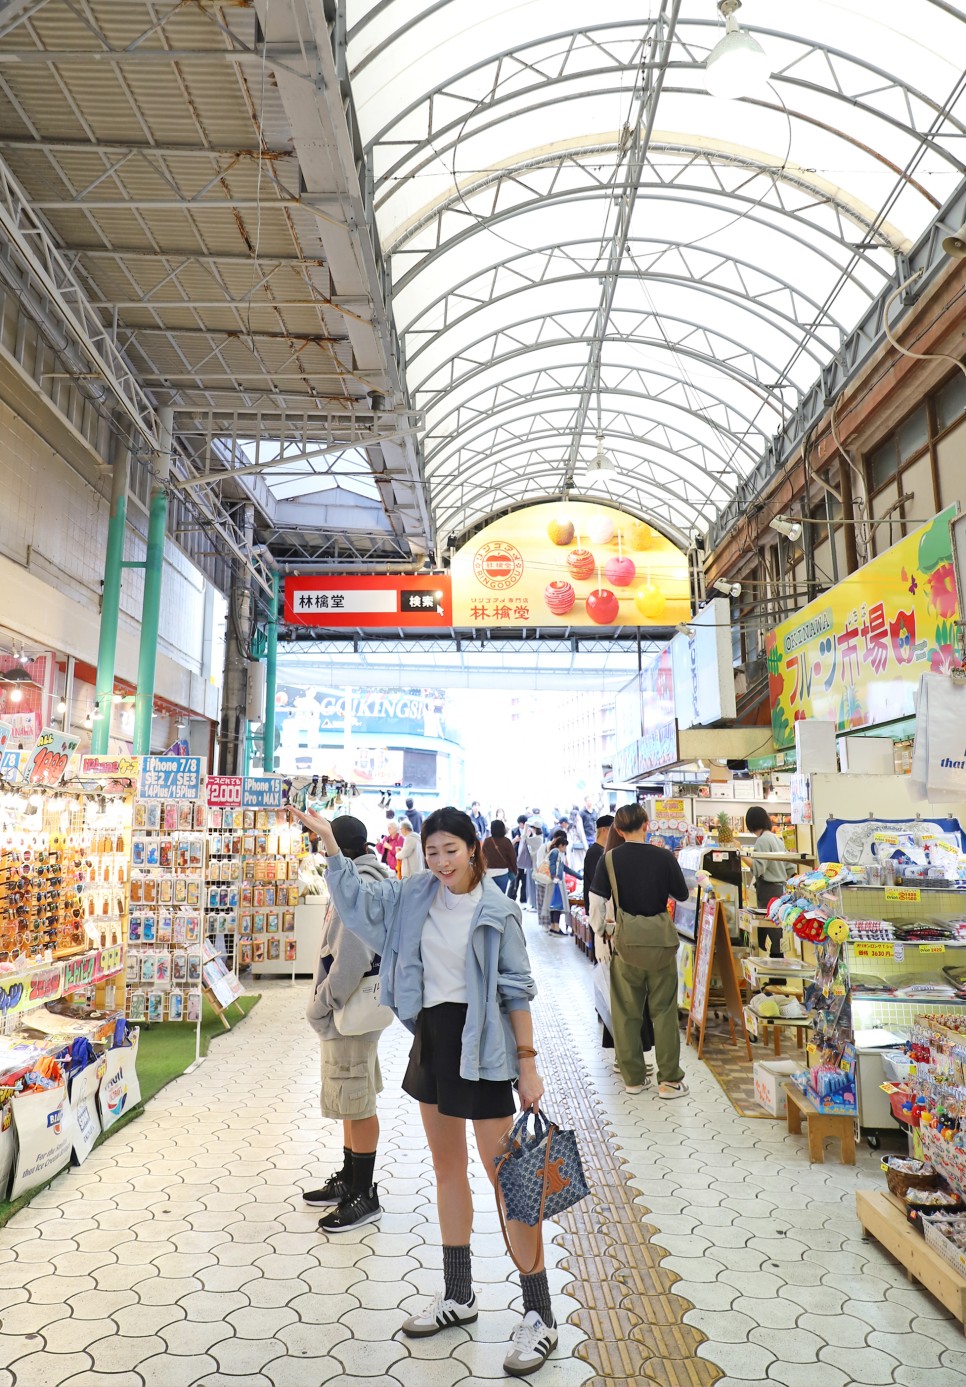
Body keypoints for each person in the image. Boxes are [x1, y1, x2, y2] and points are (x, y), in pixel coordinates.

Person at [290, 804, 559, 1376]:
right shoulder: (414, 895)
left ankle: (540, 1314)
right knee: (446, 1171)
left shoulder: (499, 909)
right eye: (432, 851)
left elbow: (516, 991)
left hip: (484, 1050)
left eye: (450, 851)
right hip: (435, 1042)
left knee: (508, 1181)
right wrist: (332, 852)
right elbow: (361, 911)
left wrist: (528, 1065)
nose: (440, 862)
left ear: (473, 850)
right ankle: (459, 1296)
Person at [303, 815, 389, 1231]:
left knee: (357, 1100)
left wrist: (322, 1003)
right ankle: (350, 1180)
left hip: (349, 1011)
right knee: (351, 1099)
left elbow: (352, 957)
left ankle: (364, 1194)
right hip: (352, 1012)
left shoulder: (359, 885)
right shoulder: (362, 877)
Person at [590, 804, 689, 1100]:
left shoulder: (609, 860)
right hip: (660, 944)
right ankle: (669, 1081)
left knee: (626, 1014)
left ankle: (633, 1079)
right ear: (647, 824)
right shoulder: (663, 856)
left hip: (626, 946)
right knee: (665, 1013)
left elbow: (596, 903)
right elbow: (682, 894)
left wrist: (601, 931)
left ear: (618, 830)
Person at [743, 806, 793, 960]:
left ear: (750, 823)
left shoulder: (762, 840)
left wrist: (741, 854)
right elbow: (790, 867)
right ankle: (779, 978)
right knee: (777, 932)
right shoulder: (776, 838)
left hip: (768, 892)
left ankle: (775, 978)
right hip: (780, 891)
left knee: (770, 933)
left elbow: (759, 869)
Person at [545, 830, 579, 935]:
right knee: (557, 906)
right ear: (561, 845)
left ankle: (554, 927)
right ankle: (555, 928)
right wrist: (554, 876)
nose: (565, 849)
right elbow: (553, 865)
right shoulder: (556, 852)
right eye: (565, 847)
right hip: (556, 883)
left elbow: (564, 868)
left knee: (554, 906)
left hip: (555, 882)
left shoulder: (555, 852)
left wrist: (578, 876)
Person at [583, 814, 614, 914]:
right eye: (613, 831)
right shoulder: (595, 852)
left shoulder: (603, 851)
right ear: (604, 831)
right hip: (598, 910)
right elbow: (597, 881)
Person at [482, 819, 519, 894]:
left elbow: (482, 857)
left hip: (489, 874)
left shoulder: (487, 841)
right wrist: (514, 871)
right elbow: (512, 858)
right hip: (502, 873)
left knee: (490, 897)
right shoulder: (507, 841)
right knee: (501, 898)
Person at [508, 815, 529, 903]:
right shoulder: (514, 831)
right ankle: (511, 898)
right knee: (514, 880)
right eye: (521, 824)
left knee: (524, 881)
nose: (522, 825)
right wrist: (516, 840)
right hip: (516, 858)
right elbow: (510, 844)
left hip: (525, 859)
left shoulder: (529, 832)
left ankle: (523, 899)